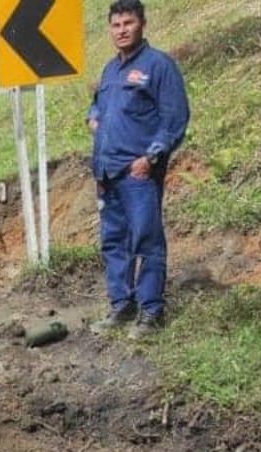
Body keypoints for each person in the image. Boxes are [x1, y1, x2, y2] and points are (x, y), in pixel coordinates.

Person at [88, 0, 190, 339]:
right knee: (114, 242)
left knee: (146, 240)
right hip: (107, 173)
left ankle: (151, 311)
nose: (122, 30)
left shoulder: (158, 66)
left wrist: (150, 158)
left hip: (137, 173)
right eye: (116, 25)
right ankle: (122, 304)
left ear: (142, 24)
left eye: (128, 23)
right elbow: (98, 104)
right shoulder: (109, 70)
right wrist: (92, 116)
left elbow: (174, 119)